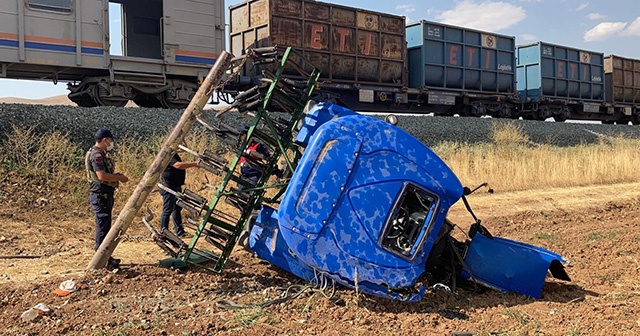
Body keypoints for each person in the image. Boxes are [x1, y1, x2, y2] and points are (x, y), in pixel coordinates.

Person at [85, 128, 128, 269]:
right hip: (100, 194)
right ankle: (101, 258)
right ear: (105, 140)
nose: (111, 143)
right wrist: (119, 178)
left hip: (104, 194)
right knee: (103, 226)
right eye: (110, 140)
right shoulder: (97, 155)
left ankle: (105, 257)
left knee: (105, 224)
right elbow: (101, 176)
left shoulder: (99, 153)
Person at [159, 152, 198, 238]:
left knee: (176, 208)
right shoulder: (169, 154)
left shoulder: (174, 154)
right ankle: (163, 232)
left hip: (175, 185)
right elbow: (177, 165)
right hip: (168, 186)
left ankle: (180, 232)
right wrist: (194, 164)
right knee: (167, 209)